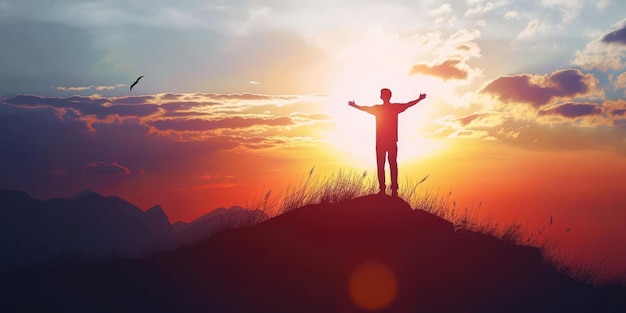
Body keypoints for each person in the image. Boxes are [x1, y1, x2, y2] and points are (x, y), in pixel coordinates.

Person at [348, 88, 427, 197]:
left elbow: (365, 108)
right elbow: (408, 104)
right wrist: (419, 99)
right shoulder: (393, 108)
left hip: (383, 141)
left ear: (382, 96)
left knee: (383, 165)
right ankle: (392, 190)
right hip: (389, 141)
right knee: (392, 165)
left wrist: (355, 105)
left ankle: (384, 189)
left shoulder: (380, 109)